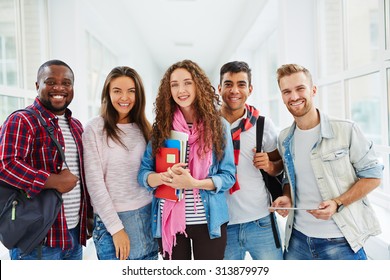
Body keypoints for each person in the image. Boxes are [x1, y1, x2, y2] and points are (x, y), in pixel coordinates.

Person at [273, 63, 383, 260]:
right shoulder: (284, 138)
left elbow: (373, 177)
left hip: (341, 241)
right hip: (297, 241)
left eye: (300, 89)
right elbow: (290, 178)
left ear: (313, 90)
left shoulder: (346, 130)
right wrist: (287, 197)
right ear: (282, 96)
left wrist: (337, 203)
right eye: (287, 91)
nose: (294, 97)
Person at [138, 59, 236, 260]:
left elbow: (228, 176)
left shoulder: (219, 125)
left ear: (198, 85)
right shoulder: (162, 129)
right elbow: (143, 174)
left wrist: (194, 183)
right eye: (174, 85)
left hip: (209, 223)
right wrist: (162, 178)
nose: (181, 89)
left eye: (187, 82)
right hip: (170, 224)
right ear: (169, 90)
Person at [0, 59, 93, 260]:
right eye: (50, 82)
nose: (59, 87)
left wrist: (88, 216)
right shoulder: (23, 120)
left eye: (66, 83)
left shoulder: (76, 126)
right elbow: (6, 165)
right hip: (37, 240)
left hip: (73, 235)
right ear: (37, 86)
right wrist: (53, 181)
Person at [82, 66, 158, 260]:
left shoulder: (146, 129)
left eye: (131, 91)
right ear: (107, 92)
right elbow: (95, 184)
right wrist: (116, 229)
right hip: (114, 221)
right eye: (117, 91)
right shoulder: (94, 128)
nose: (124, 97)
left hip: (148, 217)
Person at [217, 61, 284, 260]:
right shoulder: (208, 125)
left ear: (250, 89)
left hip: (260, 221)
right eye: (228, 84)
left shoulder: (263, 125)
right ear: (219, 88)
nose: (234, 90)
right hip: (222, 224)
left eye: (241, 84)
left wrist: (270, 165)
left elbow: (279, 167)